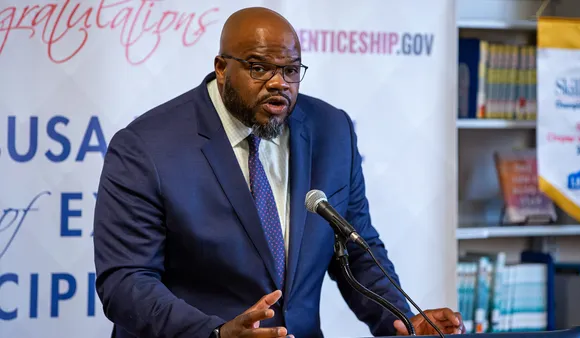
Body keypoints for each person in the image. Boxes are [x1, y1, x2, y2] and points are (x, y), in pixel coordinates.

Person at [93, 6, 465, 338]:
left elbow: (355, 247)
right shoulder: (147, 146)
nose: (279, 84)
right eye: (259, 68)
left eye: (290, 70)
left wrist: (400, 320)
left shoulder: (331, 131)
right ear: (221, 68)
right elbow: (126, 282)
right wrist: (215, 334)